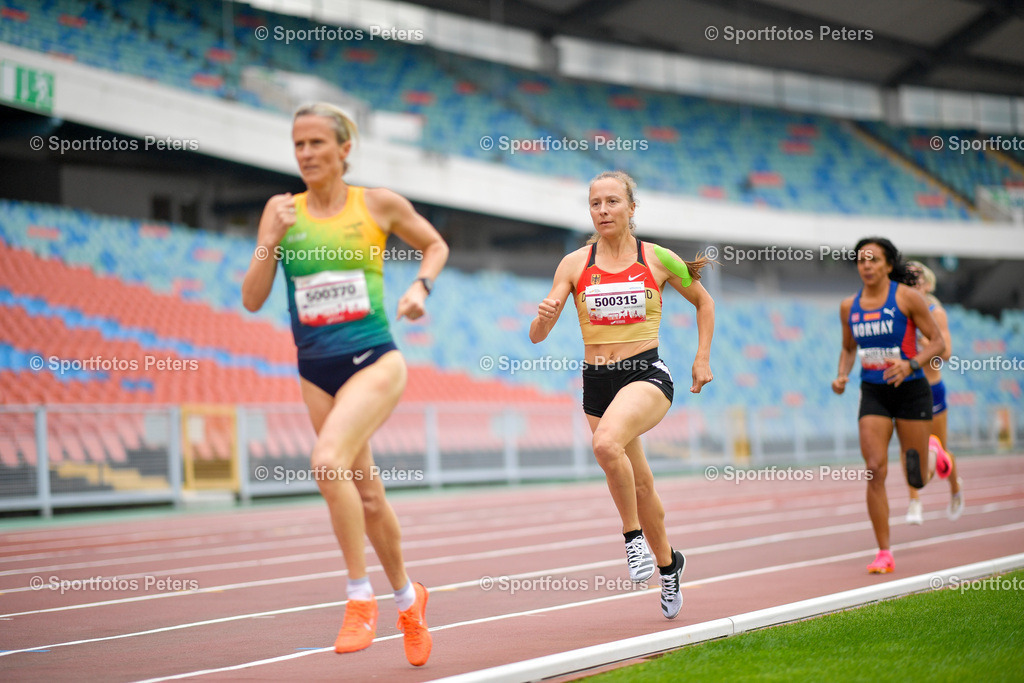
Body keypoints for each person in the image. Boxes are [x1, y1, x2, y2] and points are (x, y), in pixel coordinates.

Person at [242, 102, 448, 666]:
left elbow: (435, 245)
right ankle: (408, 600)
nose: (306, 153)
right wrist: (269, 239)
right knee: (369, 495)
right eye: (298, 144)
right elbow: (253, 297)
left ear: (344, 149)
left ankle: (360, 597)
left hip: (375, 359)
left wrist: (421, 288)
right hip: (315, 369)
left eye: (317, 143)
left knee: (327, 462)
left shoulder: (376, 204)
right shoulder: (281, 211)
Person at [529, 170, 714, 619]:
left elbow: (704, 302)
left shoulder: (657, 258)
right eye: (595, 203)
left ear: (631, 208)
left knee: (605, 444)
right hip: (597, 382)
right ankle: (669, 564)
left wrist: (701, 357)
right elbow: (537, 335)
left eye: (612, 202)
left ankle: (633, 540)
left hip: (645, 374)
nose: (603, 210)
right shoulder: (574, 264)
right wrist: (545, 317)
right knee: (642, 483)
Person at [832, 237, 950, 574]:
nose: (866, 265)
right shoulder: (848, 306)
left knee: (917, 477)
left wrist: (911, 365)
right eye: (861, 260)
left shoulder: (908, 298)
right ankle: (884, 552)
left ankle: (933, 451)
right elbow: (849, 348)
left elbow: (938, 344)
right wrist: (841, 375)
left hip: (911, 390)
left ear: (888, 264)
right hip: (874, 392)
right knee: (874, 469)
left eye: (873, 259)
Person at [904, 261, 963, 525]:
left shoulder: (935, 312)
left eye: (916, 279)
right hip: (907, 389)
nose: (911, 283)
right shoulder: (900, 312)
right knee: (909, 449)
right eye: (906, 279)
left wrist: (927, 344)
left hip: (932, 389)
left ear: (927, 284)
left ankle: (955, 488)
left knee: (941, 449)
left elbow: (946, 354)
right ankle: (914, 501)